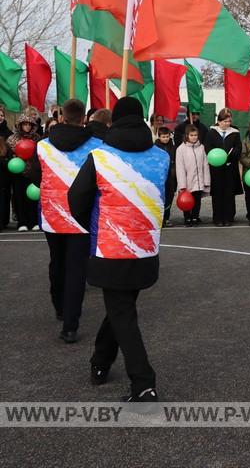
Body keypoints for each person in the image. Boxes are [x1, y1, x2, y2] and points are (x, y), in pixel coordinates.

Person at [68, 96, 169, 402]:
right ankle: (100, 363)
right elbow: (168, 195)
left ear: (113, 122)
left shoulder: (100, 156)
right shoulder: (162, 157)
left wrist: (97, 225)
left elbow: (76, 200)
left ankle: (143, 381)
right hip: (146, 247)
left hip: (110, 247)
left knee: (122, 313)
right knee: (120, 309)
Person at [38, 99, 101, 342]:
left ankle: (60, 306)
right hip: (81, 214)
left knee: (57, 262)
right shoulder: (98, 146)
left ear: (62, 116)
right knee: (77, 269)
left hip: (52, 214)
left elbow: (35, 174)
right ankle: (71, 325)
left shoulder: (42, 146)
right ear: (84, 118)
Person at [205, 109, 242, 226]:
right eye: (225, 121)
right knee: (217, 193)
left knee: (229, 193)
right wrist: (218, 157)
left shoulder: (235, 133)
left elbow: (238, 148)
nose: (227, 124)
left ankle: (229, 217)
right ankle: (218, 218)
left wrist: (230, 157)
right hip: (216, 168)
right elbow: (208, 148)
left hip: (230, 167)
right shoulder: (211, 132)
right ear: (219, 121)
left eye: (229, 121)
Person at [9, 112, 42, 231]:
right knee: (19, 197)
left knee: (33, 197)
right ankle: (22, 222)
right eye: (25, 124)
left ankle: (34, 221)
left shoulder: (37, 138)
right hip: (18, 173)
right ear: (20, 125)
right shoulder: (12, 139)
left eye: (29, 124)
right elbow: (8, 155)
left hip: (32, 173)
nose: (27, 127)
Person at [175, 124, 210, 226]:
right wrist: (182, 184)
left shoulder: (201, 147)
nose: (194, 137)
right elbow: (180, 168)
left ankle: (195, 217)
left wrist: (206, 180)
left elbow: (205, 164)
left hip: (199, 180)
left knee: (197, 200)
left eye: (195, 135)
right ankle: (187, 217)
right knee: (186, 200)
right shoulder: (181, 149)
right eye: (192, 135)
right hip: (187, 181)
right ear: (187, 136)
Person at [154, 126, 177, 227]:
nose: (165, 139)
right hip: (159, 177)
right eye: (163, 137)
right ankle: (159, 218)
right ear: (159, 137)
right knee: (159, 198)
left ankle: (166, 218)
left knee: (169, 197)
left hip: (170, 177)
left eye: (167, 136)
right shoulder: (155, 148)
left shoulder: (173, 147)